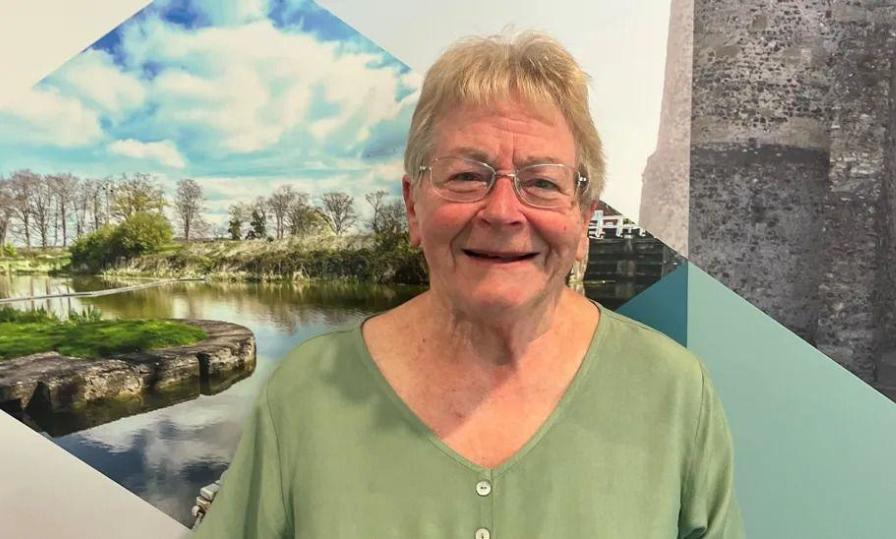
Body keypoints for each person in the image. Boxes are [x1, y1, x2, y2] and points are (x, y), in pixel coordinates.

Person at [194, 31, 744, 538]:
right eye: (466, 176)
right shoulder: (306, 394)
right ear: (413, 206)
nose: (503, 211)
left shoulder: (673, 393)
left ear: (583, 220)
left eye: (543, 182)